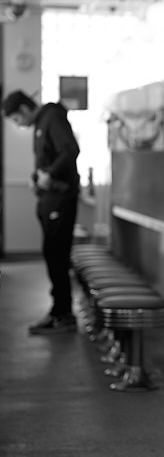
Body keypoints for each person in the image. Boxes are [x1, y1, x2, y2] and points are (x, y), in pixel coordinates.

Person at [2, 90, 80, 334]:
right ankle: (58, 311)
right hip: (49, 199)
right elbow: (50, 157)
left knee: (57, 254)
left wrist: (50, 174)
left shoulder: (52, 117)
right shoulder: (42, 123)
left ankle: (64, 315)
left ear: (25, 110)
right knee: (52, 253)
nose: (19, 125)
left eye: (16, 119)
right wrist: (37, 177)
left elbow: (70, 150)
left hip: (60, 198)